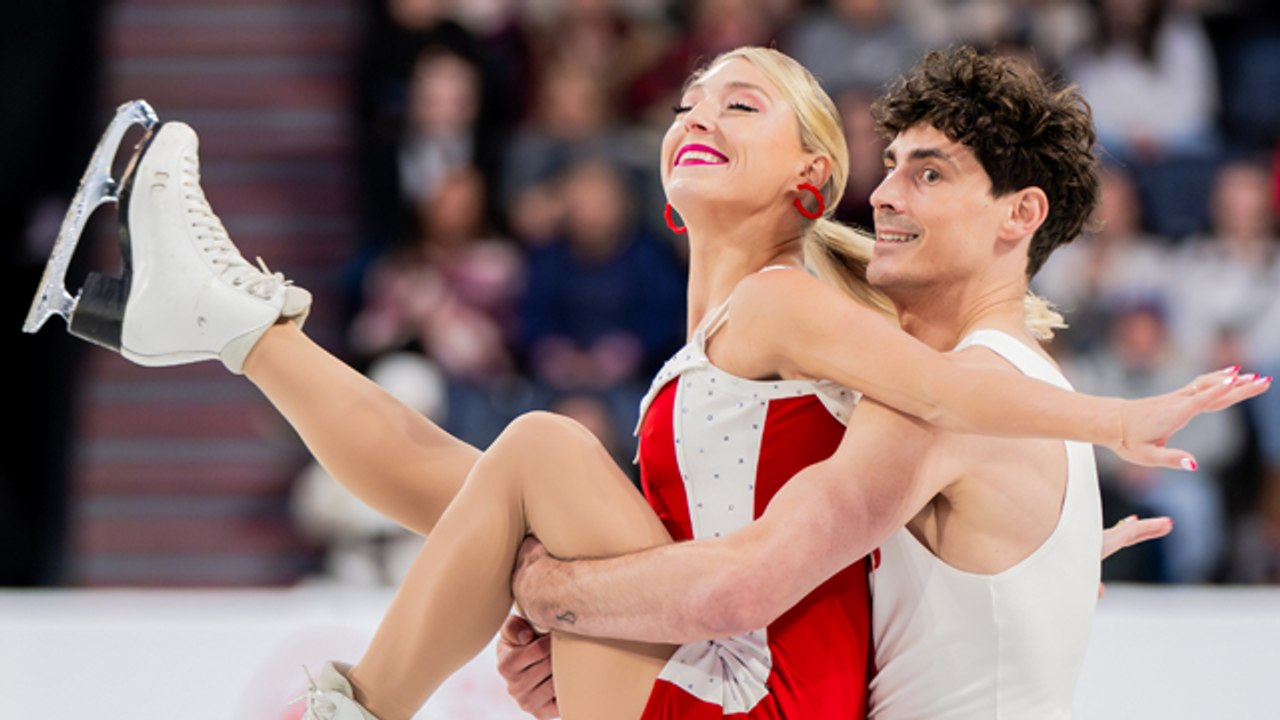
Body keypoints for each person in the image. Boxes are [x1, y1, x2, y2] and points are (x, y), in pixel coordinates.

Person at [36, 48, 1264, 720]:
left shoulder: (821, 315)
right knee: (485, 481)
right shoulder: (762, 332)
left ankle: (356, 710)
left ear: (802, 181)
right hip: (743, 666)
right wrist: (1056, 550)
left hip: (763, 686)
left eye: (741, 103)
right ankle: (226, 321)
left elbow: (756, 573)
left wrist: (1109, 419)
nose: (885, 198)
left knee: (533, 460)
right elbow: (908, 531)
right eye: (687, 99)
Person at [499, 47, 1272, 719]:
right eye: (893, 164)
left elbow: (740, 586)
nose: (886, 195)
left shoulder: (948, 401)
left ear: (1020, 214)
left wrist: (547, 593)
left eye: (929, 173)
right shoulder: (1003, 386)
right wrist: (594, 650)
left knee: (534, 454)